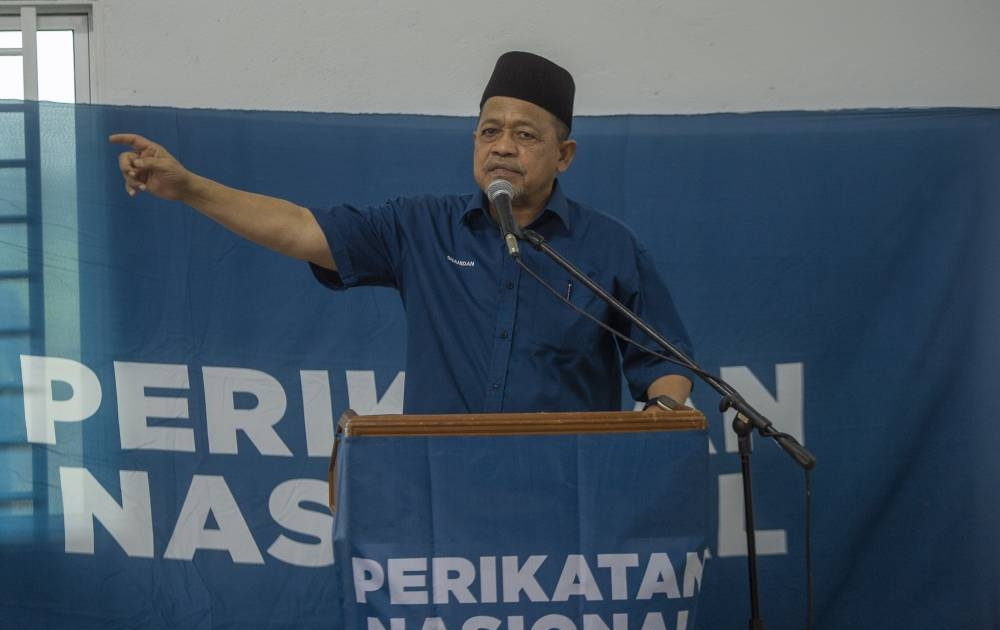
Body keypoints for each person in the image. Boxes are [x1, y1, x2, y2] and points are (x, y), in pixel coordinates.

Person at [111, 51, 695, 414]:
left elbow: (663, 363)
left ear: (563, 155)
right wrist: (189, 187)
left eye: (524, 135)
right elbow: (298, 229)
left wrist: (663, 410)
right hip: (443, 492)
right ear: (474, 143)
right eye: (489, 131)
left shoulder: (610, 247)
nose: (502, 147)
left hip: (571, 494)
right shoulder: (420, 227)